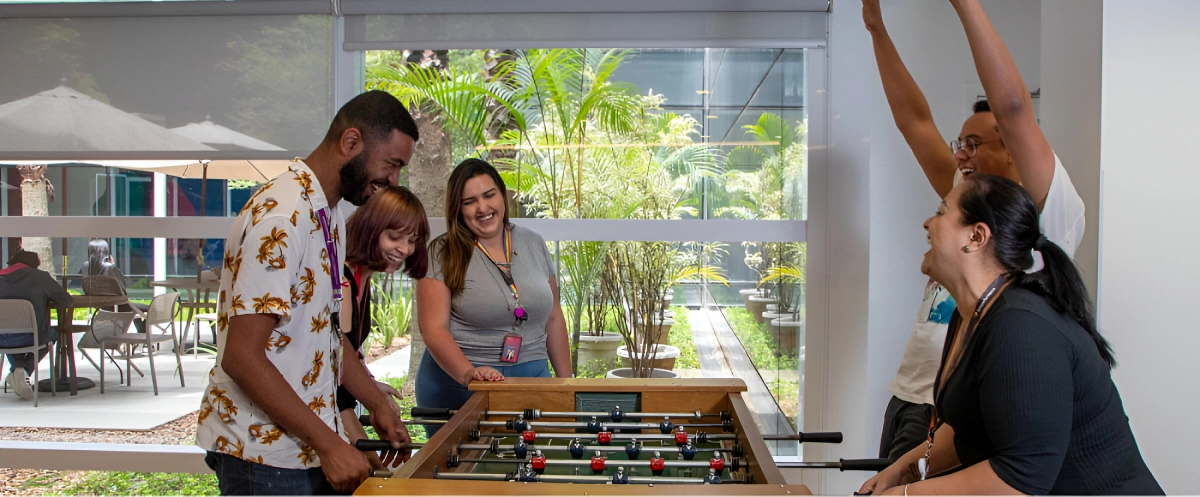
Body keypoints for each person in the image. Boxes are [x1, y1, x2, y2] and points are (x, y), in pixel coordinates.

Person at [862, 0, 1086, 462]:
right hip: (913, 390)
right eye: (959, 144)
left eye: (974, 143)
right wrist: (875, 28)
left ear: (1012, 151)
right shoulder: (964, 197)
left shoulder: (1047, 212)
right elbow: (914, 122)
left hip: (961, 409)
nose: (961, 155)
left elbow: (1013, 108)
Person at [858, 174, 1161, 495]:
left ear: (976, 236)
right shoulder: (972, 315)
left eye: (941, 211)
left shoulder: (1021, 326)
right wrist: (902, 469)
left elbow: (1021, 478)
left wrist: (906, 494)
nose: (927, 223)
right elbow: (969, 431)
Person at [195, 90, 419, 496]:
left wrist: (377, 402)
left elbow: (326, 334)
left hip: (304, 444)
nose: (393, 181)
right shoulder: (283, 216)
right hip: (263, 456)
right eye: (391, 164)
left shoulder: (327, 212)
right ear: (351, 142)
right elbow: (242, 358)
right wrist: (331, 443)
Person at [415, 158, 571, 433]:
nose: (483, 208)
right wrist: (468, 373)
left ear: (502, 195)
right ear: (457, 208)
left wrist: (567, 383)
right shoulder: (441, 252)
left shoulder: (533, 242)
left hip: (532, 377)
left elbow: (554, 316)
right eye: (469, 201)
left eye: (489, 195)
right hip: (460, 384)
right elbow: (433, 330)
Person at [337, 185, 430, 470]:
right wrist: (373, 466)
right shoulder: (342, 281)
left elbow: (347, 359)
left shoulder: (362, 277)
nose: (405, 249)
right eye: (395, 237)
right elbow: (335, 382)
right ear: (369, 228)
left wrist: (371, 387)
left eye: (412, 240)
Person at [0, 249, 73, 401]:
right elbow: (66, 301)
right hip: (33, 336)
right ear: (34, 265)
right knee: (52, 334)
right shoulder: (40, 277)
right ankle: (22, 370)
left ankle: (18, 370)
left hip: (2, 338)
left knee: (9, 332)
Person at [79, 239, 149, 332]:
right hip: (118, 305)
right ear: (106, 252)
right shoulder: (110, 268)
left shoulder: (85, 267)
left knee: (134, 310)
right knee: (147, 309)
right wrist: (113, 265)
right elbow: (122, 286)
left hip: (99, 306)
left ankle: (141, 331)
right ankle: (143, 334)